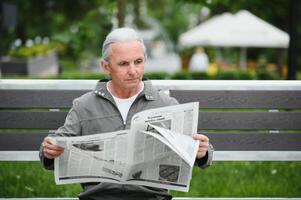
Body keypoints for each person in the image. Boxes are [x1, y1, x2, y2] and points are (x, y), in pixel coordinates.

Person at [40, 27, 214, 200]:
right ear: (105, 66)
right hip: (100, 198)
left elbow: (199, 153)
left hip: (151, 198)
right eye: (123, 64)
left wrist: (202, 152)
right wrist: (48, 151)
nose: (133, 71)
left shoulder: (166, 104)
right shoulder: (84, 106)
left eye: (138, 62)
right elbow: (53, 151)